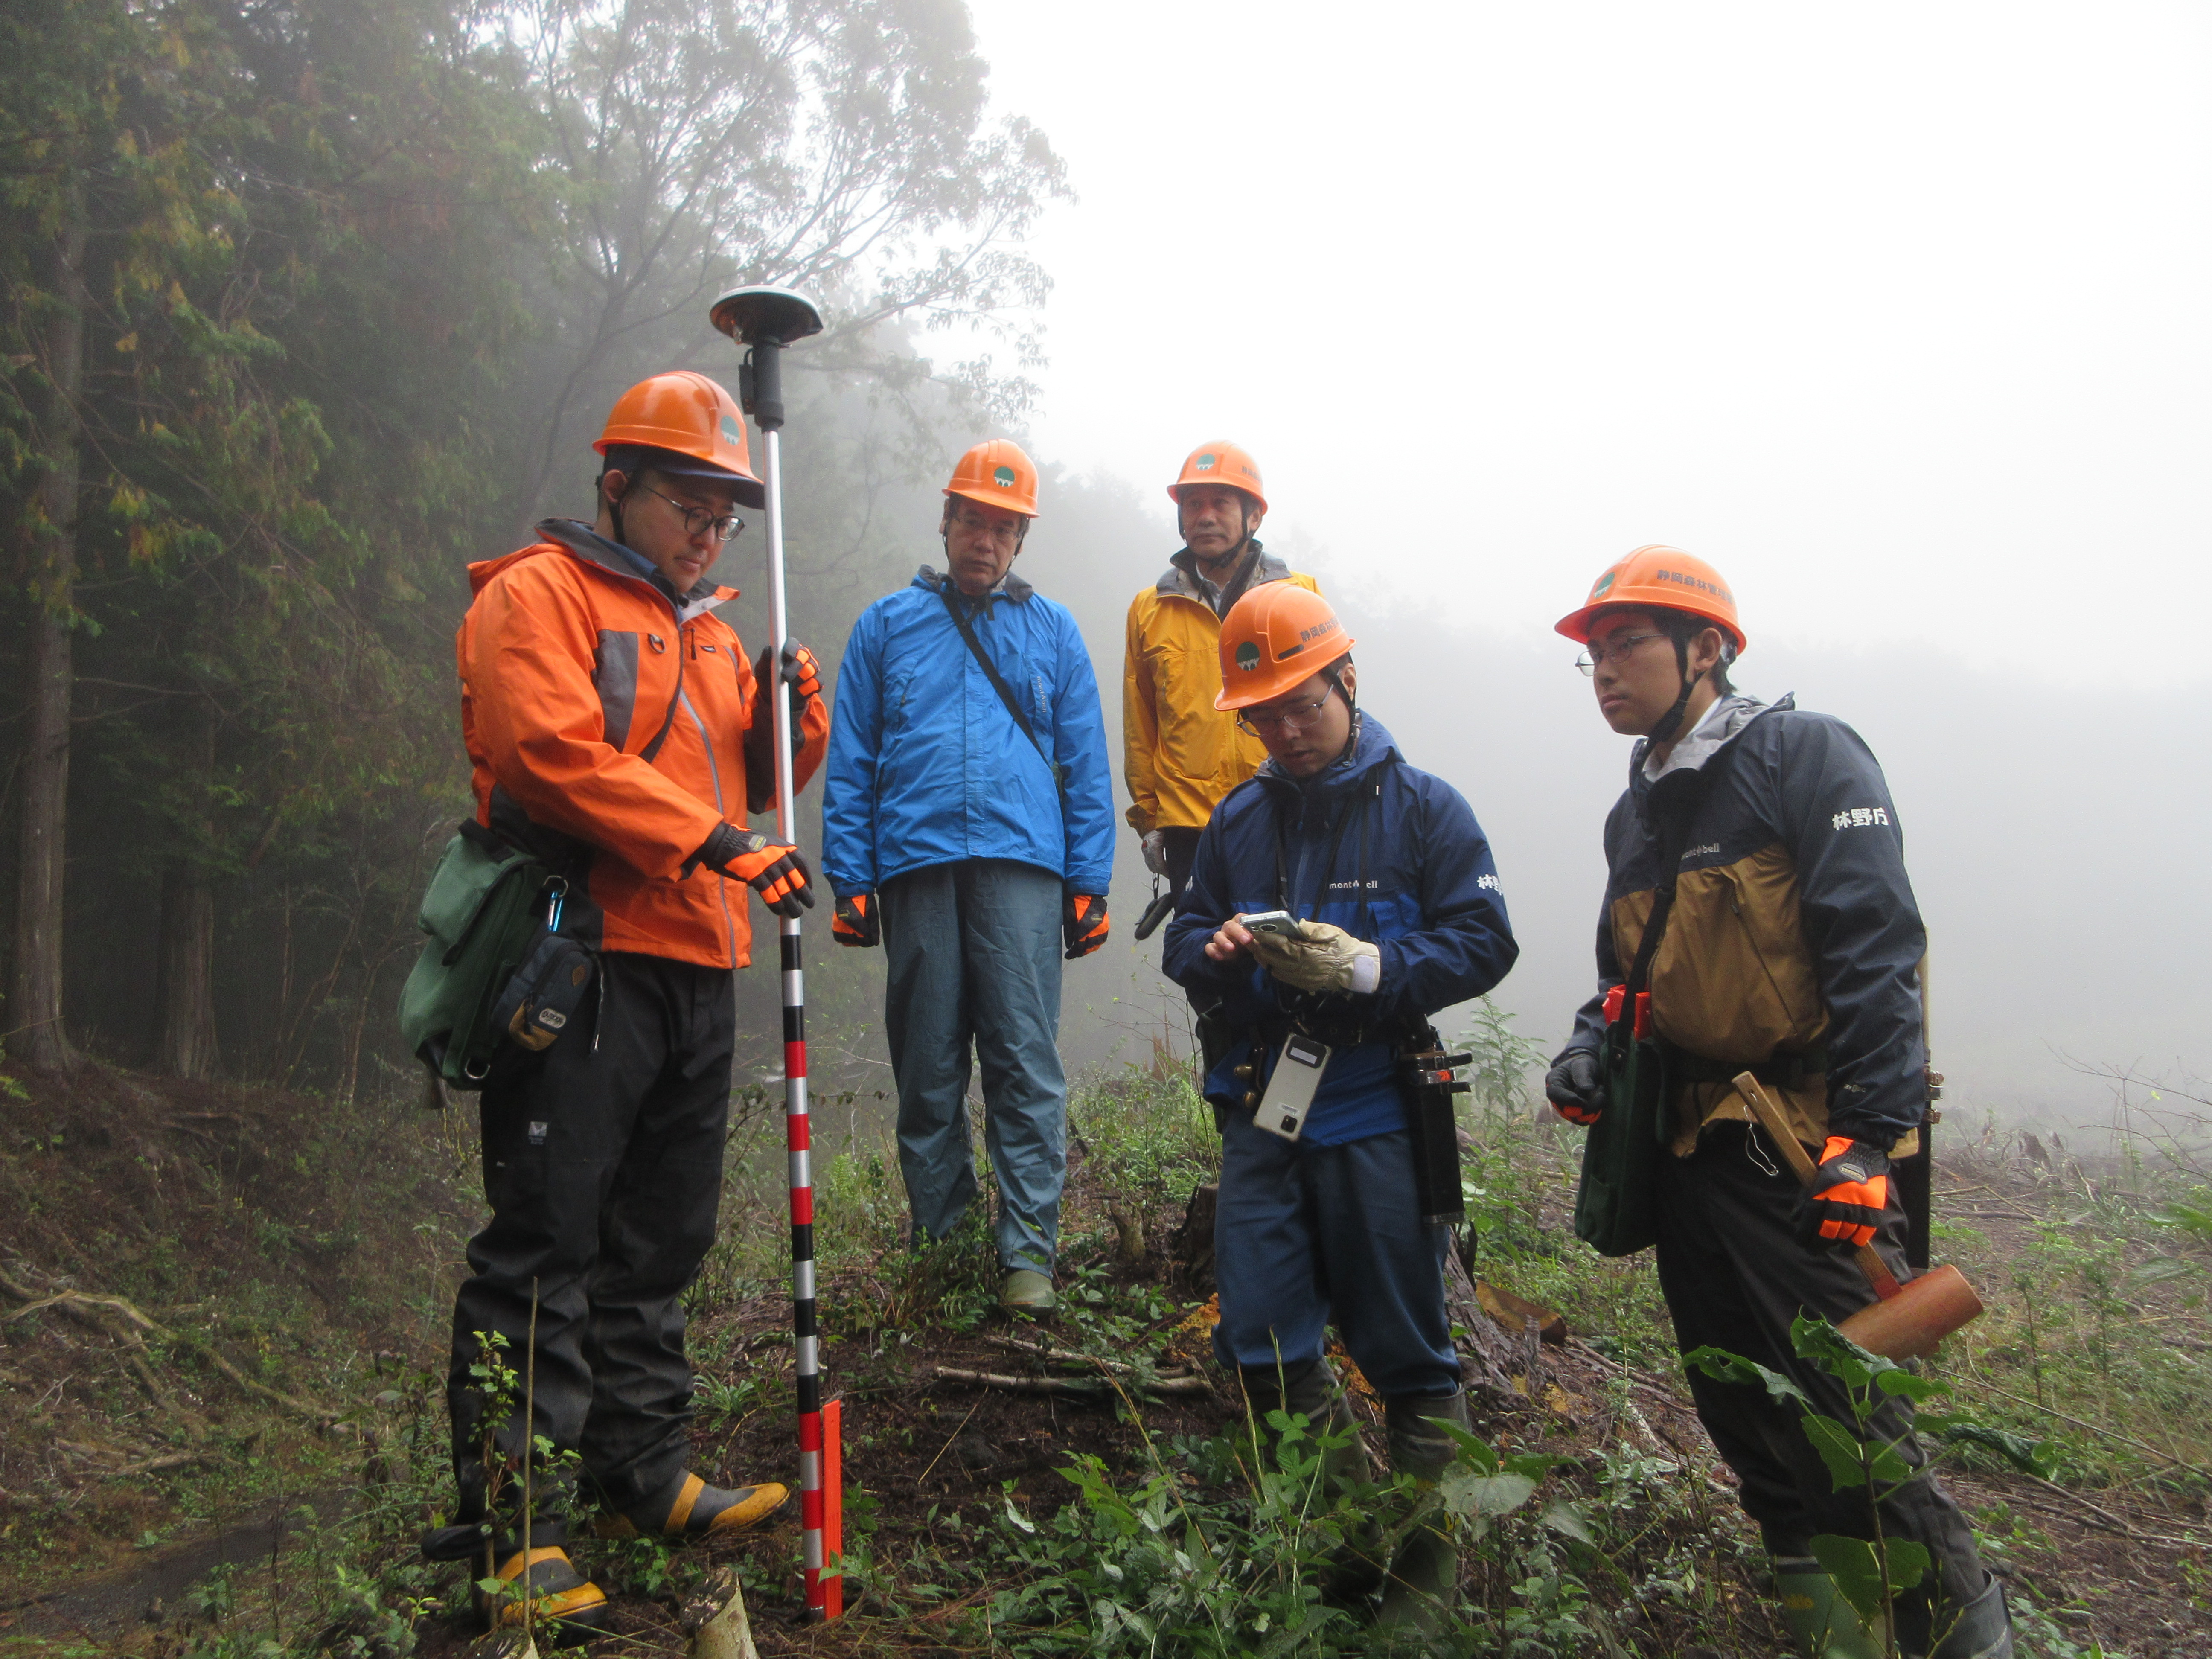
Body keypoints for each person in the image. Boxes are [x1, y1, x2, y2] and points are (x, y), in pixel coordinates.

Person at [1545, 546, 2013, 1659]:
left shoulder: (1806, 758)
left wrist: (1866, 1145)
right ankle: (1836, 1640)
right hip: (1684, 1156)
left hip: (1800, 1150)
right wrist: (1586, 1044)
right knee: (1748, 1420)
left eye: (1629, 645)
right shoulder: (1638, 812)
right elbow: (1629, 978)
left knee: (1850, 1425)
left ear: (1708, 649)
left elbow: (1876, 949)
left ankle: (1965, 1642)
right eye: (1594, 654)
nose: (1605, 670)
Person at [429, 370, 830, 1639]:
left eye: (725, 513)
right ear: (620, 485)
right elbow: (554, 757)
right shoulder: (533, 596)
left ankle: (643, 1473)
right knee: (548, 1239)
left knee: (662, 1240)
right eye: (686, 502)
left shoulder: (711, 628)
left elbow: (755, 794)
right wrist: (715, 838)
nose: (708, 531)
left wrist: (794, 719)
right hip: (584, 950)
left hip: (700, 964)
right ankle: (518, 1526)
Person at [1162, 584, 1518, 1634]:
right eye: (1261, 715)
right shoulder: (1239, 817)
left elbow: (1486, 940)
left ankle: (1422, 1588)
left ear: (1346, 682)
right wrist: (1216, 951)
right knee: (1263, 1336)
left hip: (1375, 1105)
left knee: (1407, 1348)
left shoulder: (1426, 808)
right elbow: (1182, 939)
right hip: (1263, 1107)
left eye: (1300, 707)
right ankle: (1349, 1537)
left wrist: (1375, 966)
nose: (1283, 731)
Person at [819, 440, 1115, 1314]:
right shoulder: (884, 625)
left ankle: (1028, 1259)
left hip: (1024, 865)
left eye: (1001, 527)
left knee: (1025, 1061)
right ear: (945, 523)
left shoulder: (1054, 630)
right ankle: (942, 1253)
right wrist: (851, 875)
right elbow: (853, 756)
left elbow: (1085, 760)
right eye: (970, 521)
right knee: (929, 1065)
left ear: (1020, 538)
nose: (983, 540)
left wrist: (1088, 880)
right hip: (914, 865)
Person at [1123, 441, 1320, 908]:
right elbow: (1141, 724)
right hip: (1193, 828)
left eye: (1221, 503)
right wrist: (1150, 821)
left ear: (1254, 516)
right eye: (1194, 504)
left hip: (1287, 810)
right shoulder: (1150, 609)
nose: (1205, 516)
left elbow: (1332, 705)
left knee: (1292, 965)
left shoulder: (1299, 596)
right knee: (1208, 964)